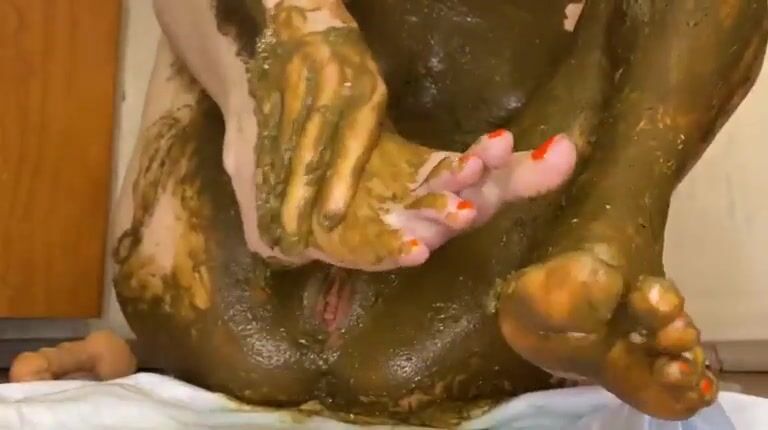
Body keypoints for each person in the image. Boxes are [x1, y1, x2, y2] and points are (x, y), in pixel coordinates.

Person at [10, 0, 768, 425]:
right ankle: (597, 260)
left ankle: (603, 244)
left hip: (481, 275)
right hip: (227, 298)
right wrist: (284, 32)